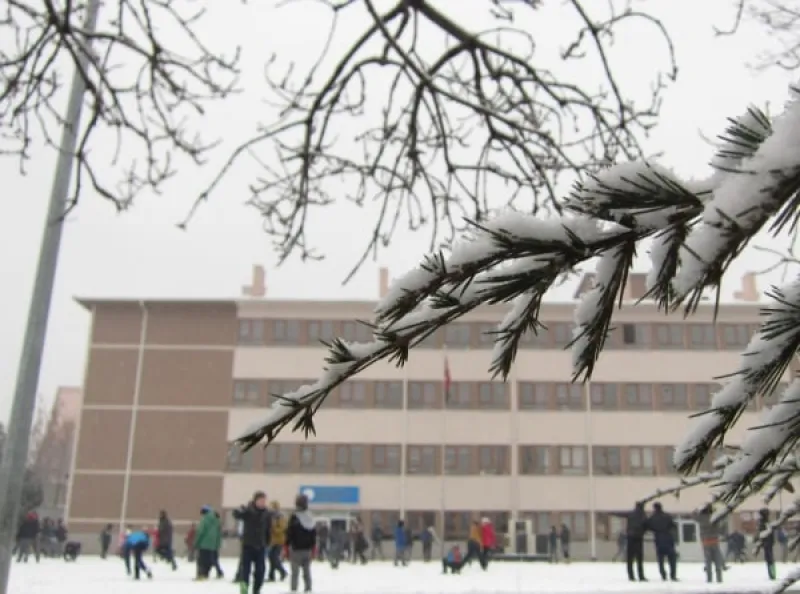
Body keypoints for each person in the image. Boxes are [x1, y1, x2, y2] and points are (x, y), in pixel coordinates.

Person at [233, 491, 271, 594]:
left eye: (264, 501)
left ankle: (256, 590)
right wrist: (239, 510)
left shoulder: (266, 513)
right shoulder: (248, 511)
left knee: (260, 571)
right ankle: (244, 590)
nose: (263, 503)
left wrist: (267, 541)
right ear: (255, 501)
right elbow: (237, 514)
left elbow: (268, 529)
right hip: (248, 546)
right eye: (261, 501)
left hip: (261, 546)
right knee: (245, 571)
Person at [287, 493, 317, 594]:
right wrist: (313, 546)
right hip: (307, 548)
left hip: (296, 548)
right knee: (307, 571)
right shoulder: (310, 516)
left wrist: (286, 545)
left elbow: (289, 532)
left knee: (295, 572)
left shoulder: (294, 517)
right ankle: (308, 588)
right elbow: (313, 534)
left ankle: (294, 589)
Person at [614, 501, 649, 582]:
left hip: (630, 537)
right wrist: (643, 531)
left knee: (630, 558)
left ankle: (631, 576)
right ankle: (641, 576)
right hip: (639, 538)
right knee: (639, 558)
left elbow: (621, 514)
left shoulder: (631, 514)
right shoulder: (643, 515)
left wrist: (611, 513)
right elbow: (647, 525)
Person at [649, 502, 678, 581]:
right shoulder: (667, 516)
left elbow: (649, 527)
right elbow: (673, 525)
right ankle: (673, 575)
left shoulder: (652, 518)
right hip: (668, 539)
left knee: (660, 560)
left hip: (658, 540)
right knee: (672, 559)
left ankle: (663, 575)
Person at [696, 504, 724, 583]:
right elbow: (721, 522)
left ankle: (709, 579)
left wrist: (699, 509)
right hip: (714, 541)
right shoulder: (714, 518)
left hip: (706, 542)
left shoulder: (701, 518)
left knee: (708, 562)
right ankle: (719, 579)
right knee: (717, 561)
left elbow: (693, 515)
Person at [194, 505, 221, 581]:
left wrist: (196, 543)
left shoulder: (205, 519)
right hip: (212, 545)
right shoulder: (216, 520)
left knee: (201, 560)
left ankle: (201, 575)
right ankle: (206, 574)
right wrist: (217, 544)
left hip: (204, 544)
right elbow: (218, 533)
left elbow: (200, 532)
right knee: (209, 561)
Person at [268, 501, 288, 582]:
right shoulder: (271, 516)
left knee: (274, 558)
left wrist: (273, 528)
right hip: (272, 540)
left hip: (279, 540)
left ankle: (282, 571)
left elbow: (282, 528)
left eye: (272, 507)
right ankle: (271, 575)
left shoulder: (280, 516)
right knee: (271, 557)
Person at [759, 508, 777, 580]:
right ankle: (772, 574)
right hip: (768, 542)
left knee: (769, 559)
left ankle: (772, 574)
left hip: (767, 542)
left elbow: (764, 533)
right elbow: (769, 532)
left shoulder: (763, 522)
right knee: (770, 559)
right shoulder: (765, 522)